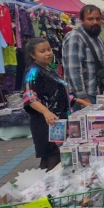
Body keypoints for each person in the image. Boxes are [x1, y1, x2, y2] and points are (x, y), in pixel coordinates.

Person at [23, 38, 90, 170]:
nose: (48, 53)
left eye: (49, 49)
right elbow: (30, 97)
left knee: (54, 158)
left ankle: (44, 187)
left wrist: (80, 101)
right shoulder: (33, 72)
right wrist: (46, 112)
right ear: (32, 54)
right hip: (47, 123)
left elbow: (58, 93)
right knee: (53, 158)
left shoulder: (48, 69)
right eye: (42, 51)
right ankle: (48, 188)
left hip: (59, 120)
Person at [62, 4, 104, 105]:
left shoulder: (97, 38)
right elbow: (73, 70)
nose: (95, 22)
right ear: (82, 21)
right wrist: (82, 97)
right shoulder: (75, 37)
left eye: (98, 19)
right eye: (90, 19)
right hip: (85, 96)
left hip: (98, 93)